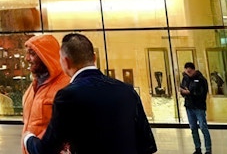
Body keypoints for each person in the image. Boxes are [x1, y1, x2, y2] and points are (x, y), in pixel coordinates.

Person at [24, 33, 157, 154]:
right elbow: (147, 145)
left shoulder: (67, 96)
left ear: (65, 62)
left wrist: (28, 138)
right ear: (94, 57)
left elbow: (46, 150)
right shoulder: (127, 90)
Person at [21, 34, 70, 153]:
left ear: (46, 56)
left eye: (32, 53)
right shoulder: (32, 87)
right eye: (27, 53)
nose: (27, 58)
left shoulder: (66, 86)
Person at [180, 61, 211, 154]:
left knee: (203, 127)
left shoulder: (201, 79)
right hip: (189, 106)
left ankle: (208, 149)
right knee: (193, 128)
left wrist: (190, 93)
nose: (188, 73)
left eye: (190, 71)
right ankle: (197, 148)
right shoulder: (185, 79)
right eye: (187, 71)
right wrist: (183, 92)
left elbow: (202, 93)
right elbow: (182, 89)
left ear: (193, 70)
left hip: (199, 107)